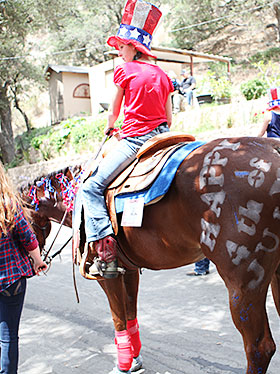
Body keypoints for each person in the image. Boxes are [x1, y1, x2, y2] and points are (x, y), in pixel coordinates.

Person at [80, 0, 173, 280]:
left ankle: (106, 255)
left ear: (134, 47)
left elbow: (114, 111)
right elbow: (169, 118)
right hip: (163, 139)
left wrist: (110, 128)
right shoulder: (163, 74)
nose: (119, 51)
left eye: (121, 46)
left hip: (135, 141)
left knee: (91, 187)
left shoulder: (124, 70)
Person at [0, 164, 47, 374]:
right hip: (11, 280)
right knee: (9, 337)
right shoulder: (9, 204)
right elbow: (28, 238)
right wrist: (38, 261)